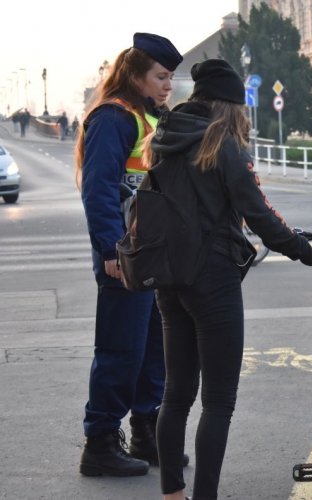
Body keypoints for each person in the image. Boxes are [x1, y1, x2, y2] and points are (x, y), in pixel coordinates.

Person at [144, 59, 312, 500]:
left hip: (168, 277)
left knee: (175, 394)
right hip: (212, 279)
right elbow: (264, 219)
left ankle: (172, 495)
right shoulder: (223, 145)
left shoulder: (163, 138)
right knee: (218, 402)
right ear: (231, 106)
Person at [74, 32, 187, 478]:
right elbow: (98, 190)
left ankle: (146, 434)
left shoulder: (152, 117)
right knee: (121, 350)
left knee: (153, 351)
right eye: (161, 76)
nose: (168, 85)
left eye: (171, 77)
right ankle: (100, 443)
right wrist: (109, 250)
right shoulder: (114, 118)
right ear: (136, 75)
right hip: (125, 253)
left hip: (153, 253)